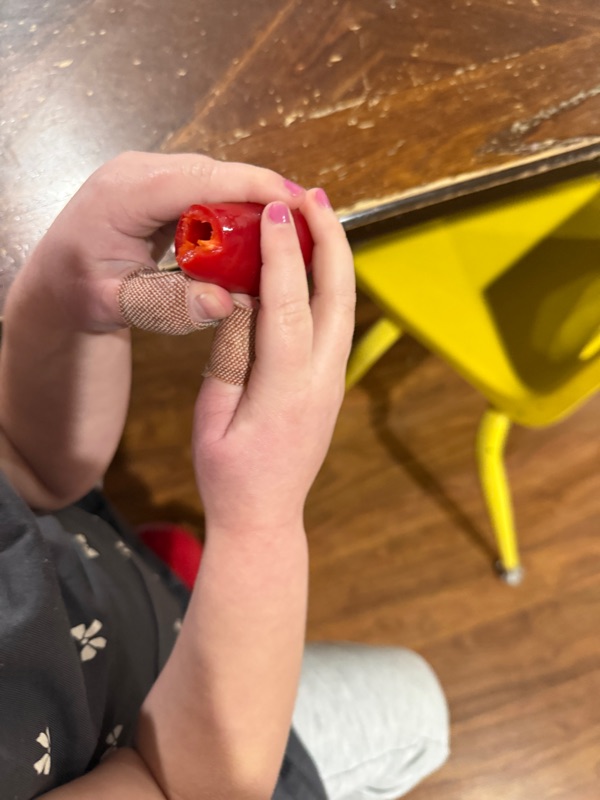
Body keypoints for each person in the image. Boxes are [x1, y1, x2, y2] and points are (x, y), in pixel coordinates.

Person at [0, 152, 449, 800]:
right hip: (203, 743)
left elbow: (29, 468)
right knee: (419, 713)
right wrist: (259, 521)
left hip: (100, 588)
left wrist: (64, 300)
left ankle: (164, 582)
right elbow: (179, 783)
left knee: (147, 583)